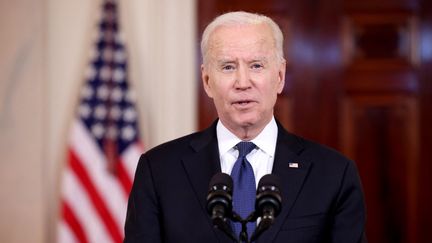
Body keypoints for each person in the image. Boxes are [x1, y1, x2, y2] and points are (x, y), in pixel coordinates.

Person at [124, 11, 367, 243]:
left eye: (256, 66)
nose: (242, 82)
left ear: (280, 76)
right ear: (207, 81)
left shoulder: (334, 173)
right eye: (228, 66)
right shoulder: (159, 170)